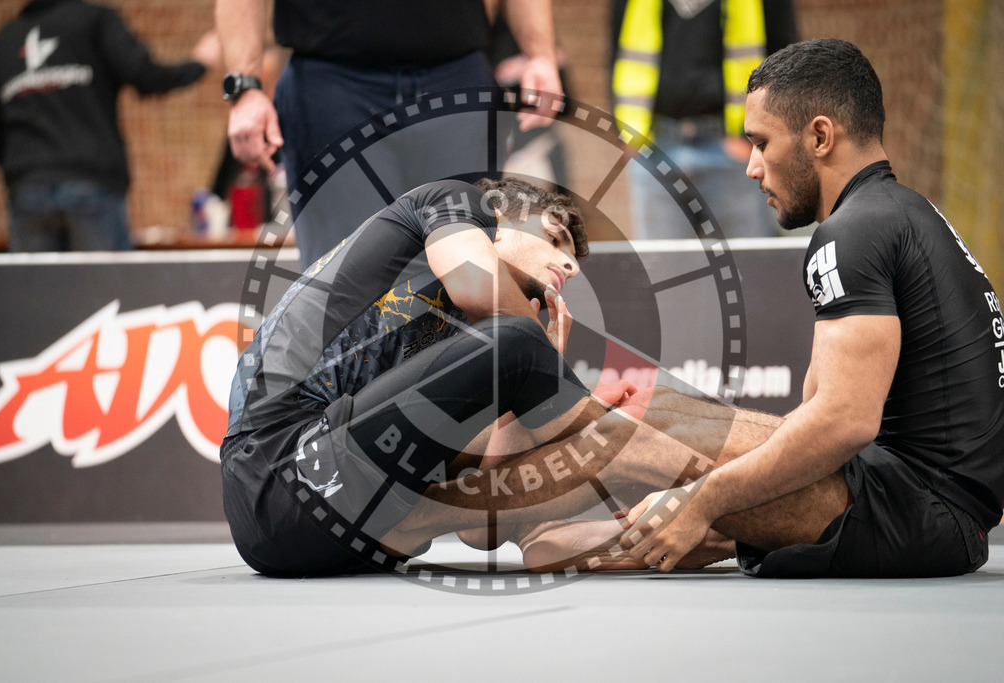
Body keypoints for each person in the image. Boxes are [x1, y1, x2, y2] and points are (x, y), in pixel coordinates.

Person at [499, 38, 1003, 578]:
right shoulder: (900, 212)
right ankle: (532, 520)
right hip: (921, 504)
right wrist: (718, 502)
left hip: (920, 515)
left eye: (761, 143)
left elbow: (845, 422)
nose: (752, 168)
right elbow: (818, 409)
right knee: (654, 408)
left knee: (633, 436)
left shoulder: (851, 232)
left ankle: (433, 512)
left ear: (819, 135)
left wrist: (704, 499)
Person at [221, 177, 594, 576]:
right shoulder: (456, 201)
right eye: (555, 239)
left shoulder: (480, 342)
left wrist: (524, 387)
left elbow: (479, 531)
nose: (571, 267)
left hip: (339, 535)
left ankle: (545, 533)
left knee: (514, 355)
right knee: (517, 344)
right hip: (274, 464)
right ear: (501, 219)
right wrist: (542, 363)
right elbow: (478, 289)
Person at [215, 0, 563, 271]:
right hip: (332, 85)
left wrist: (541, 55)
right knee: (343, 278)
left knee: (466, 272)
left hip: (454, 78)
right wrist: (244, 86)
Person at [0, 0, 213, 252]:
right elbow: (146, 76)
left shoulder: (1, 42)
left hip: (27, 191)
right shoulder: (93, 20)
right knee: (105, 289)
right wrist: (199, 64)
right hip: (91, 185)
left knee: (34, 291)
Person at [612, 0, 797, 239]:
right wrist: (629, 133)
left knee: (747, 265)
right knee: (664, 270)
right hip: (655, 147)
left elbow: (786, 56)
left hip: (736, 150)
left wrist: (753, 138)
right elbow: (619, 48)